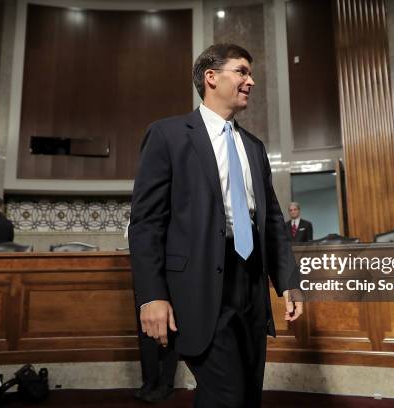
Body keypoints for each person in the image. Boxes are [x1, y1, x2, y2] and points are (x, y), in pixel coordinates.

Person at [128, 43, 303, 408]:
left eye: (250, 73)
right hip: (200, 288)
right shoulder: (168, 135)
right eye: (242, 71)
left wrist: (287, 282)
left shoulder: (254, 146)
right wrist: (151, 295)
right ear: (211, 77)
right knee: (227, 396)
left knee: (248, 395)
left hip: (251, 286)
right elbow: (146, 224)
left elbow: (271, 219)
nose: (251, 81)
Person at [125, 220, 178, 403]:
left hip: (170, 267)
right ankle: (149, 380)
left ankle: (167, 383)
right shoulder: (142, 211)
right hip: (144, 272)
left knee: (170, 327)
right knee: (145, 330)